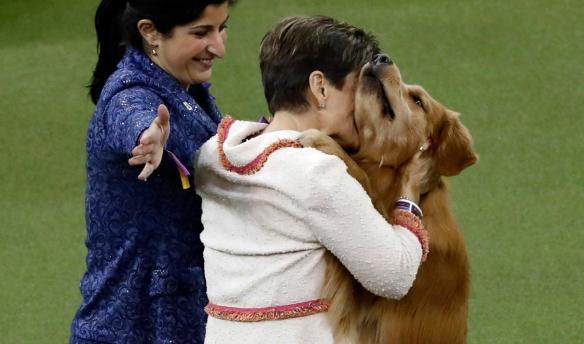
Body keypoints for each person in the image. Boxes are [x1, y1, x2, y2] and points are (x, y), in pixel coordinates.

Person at [195, 16, 429, 343]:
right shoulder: (316, 174)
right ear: (320, 87)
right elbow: (395, 275)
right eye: (360, 88)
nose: (366, 103)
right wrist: (410, 193)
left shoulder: (213, 154)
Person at [70, 0, 235, 343]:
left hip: (180, 317)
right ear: (150, 33)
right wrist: (148, 136)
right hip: (131, 329)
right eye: (202, 32)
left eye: (222, 28)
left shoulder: (188, 86)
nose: (219, 47)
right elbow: (132, 114)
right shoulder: (128, 93)